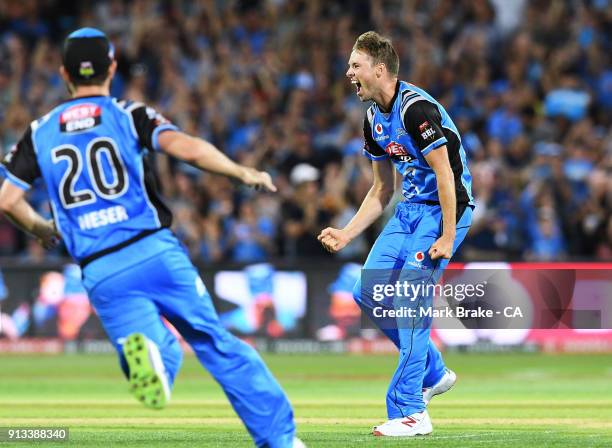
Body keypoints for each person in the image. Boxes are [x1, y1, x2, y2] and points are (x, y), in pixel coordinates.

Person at [0, 28, 303, 448]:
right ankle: (281, 441)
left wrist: (44, 230)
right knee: (216, 343)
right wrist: (241, 172)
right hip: (153, 250)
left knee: (154, 357)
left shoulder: (39, 132)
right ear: (112, 67)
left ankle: (152, 354)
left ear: (63, 73)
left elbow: (8, 200)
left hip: (100, 269)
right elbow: (188, 149)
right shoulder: (128, 114)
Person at [318, 31, 474, 437]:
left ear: (379, 69)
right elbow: (382, 190)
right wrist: (348, 233)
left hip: (442, 211)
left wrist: (446, 235)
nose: (349, 72)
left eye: (355, 65)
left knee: (409, 297)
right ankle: (435, 373)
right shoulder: (372, 117)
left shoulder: (415, 110)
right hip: (407, 213)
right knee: (365, 293)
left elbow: (445, 174)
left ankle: (411, 413)